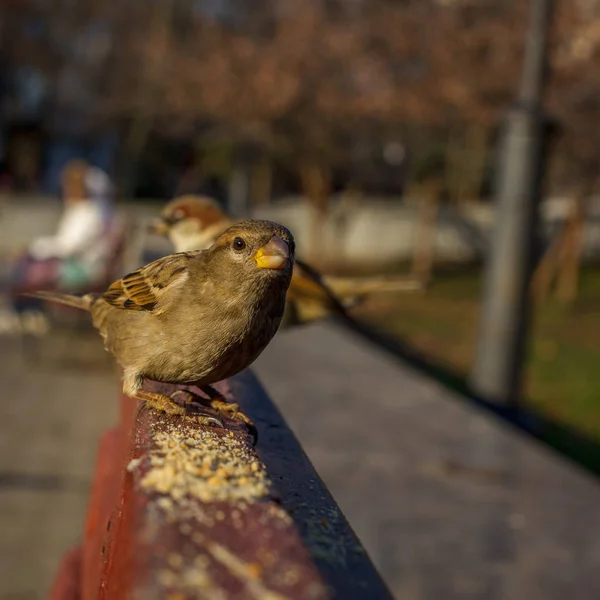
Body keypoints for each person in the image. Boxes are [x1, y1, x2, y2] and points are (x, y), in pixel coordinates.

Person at [8, 159, 117, 332]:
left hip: (80, 268)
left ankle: (28, 313)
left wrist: (35, 248)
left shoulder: (88, 213)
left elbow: (68, 247)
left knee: (28, 268)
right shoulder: (93, 210)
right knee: (27, 263)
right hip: (82, 264)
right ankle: (29, 313)